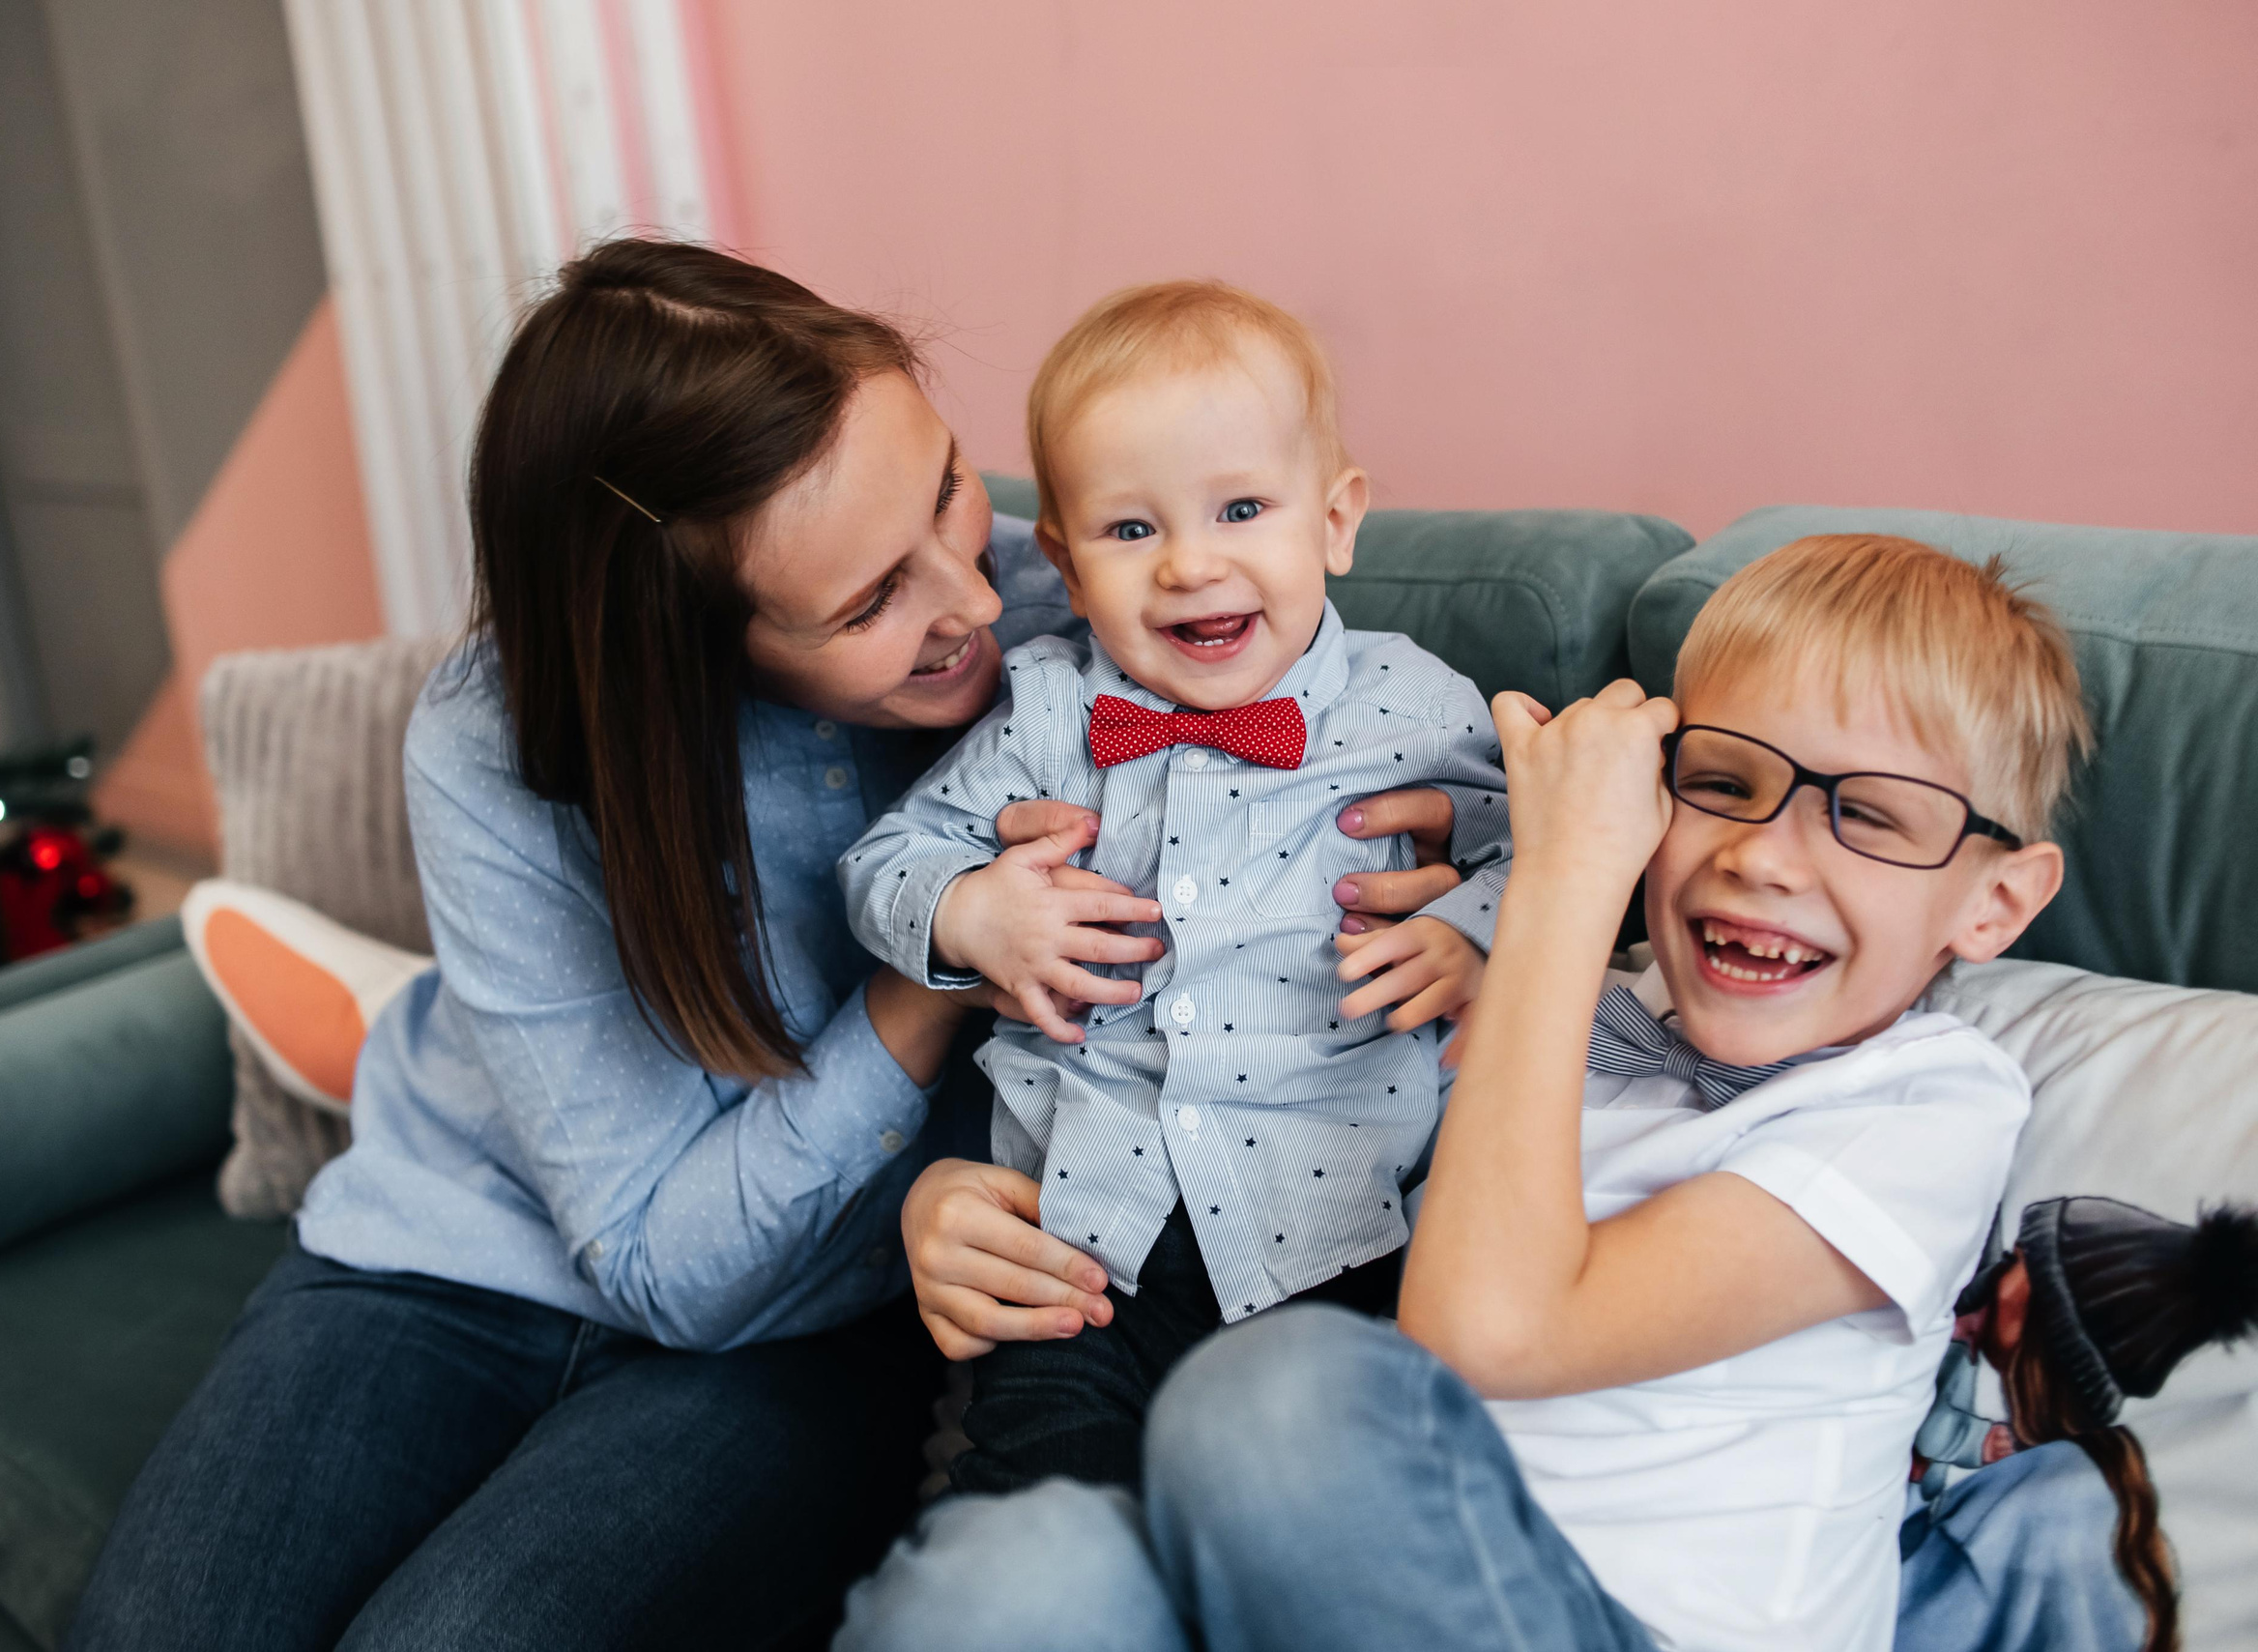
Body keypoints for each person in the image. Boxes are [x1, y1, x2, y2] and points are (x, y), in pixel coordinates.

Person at [65, 239, 1462, 1652]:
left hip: (820, 1318)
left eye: (946, 489)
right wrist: (941, 962)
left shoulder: (1100, 614)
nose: (978, 597)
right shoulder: (497, 736)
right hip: (462, 1250)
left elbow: (1350, 797)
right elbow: (657, 1257)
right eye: (869, 601)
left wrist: (1471, 879)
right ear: (688, 647)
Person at [839, 534, 2101, 1652]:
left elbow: (1490, 1332)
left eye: (1870, 816)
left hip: (1633, 1625)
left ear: (1996, 900)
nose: (1763, 856)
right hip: (1370, 1582)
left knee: (1270, 1398)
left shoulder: (1925, 1105)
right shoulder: (1570, 1004)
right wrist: (967, 1193)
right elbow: (1251, 1109)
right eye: (1720, 783)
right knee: (1001, 1582)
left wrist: (1562, 880)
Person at [837, 279, 1511, 1497]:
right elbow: (882, 863)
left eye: (1241, 508)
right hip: (1085, 1242)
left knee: (1311, 1503)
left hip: (1335, 1230)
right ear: (1062, 561)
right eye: (1131, 529)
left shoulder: (1414, 707)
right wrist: (969, 909)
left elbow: (1547, 859)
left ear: (1335, 520)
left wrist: (1470, 932)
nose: (1192, 565)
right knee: (1031, 1512)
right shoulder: (1046, 712)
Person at [1898, 1195, 2258, 1652]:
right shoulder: (2102, 1491)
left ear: (2045, 1306)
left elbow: (1898, 1626)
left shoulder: (2032, 1500)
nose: (1992, 1277)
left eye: (2014, 1262)